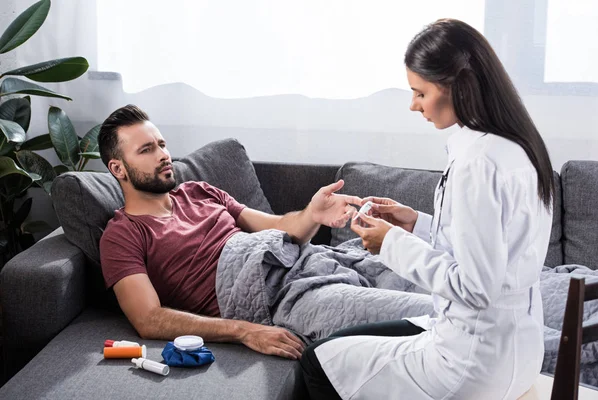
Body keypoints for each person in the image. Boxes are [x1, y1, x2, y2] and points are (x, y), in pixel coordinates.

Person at [299, 18, 554, 400]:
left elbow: (475, 287)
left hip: (470, 364)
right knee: (337, 344)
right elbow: (492, 248)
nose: (413, 105)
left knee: (316, 364)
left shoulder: (477, 162)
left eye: (420, 93)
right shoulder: (517, 147)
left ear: (457, 87)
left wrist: (390, 243)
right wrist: (415, 222)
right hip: (519, 350)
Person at [98, 104, 364, 361]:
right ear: (118, 168)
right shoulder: (122, 234)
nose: (163, 155)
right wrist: (244, 331)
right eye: (146, 150)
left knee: (400, 273)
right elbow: (148, 318)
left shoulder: (199, 192)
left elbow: (282, 228)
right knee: (397, 315)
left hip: (308, 263)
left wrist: (313, 214)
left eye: (162, 145)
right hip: (276, 296)